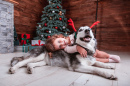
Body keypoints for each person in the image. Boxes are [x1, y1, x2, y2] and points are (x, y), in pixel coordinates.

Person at [45, 34, 120, 63]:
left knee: (98, 52)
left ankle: (110, 56)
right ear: (61, 49)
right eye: (60, 46)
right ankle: (109, 60)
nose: (62, 43)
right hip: (84, 55)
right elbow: (74, 48)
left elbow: (78, 35)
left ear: (59, 37)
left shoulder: (70, 36)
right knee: (96, 60)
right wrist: (78, 47)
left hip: (88, 48)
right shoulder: (67, 48)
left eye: (59, 41)